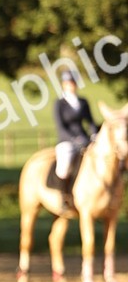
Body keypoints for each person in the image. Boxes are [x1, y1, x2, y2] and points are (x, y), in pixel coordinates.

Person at [53, 68, 98, 211]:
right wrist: (74, 139)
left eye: (73, 83)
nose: (71, 85)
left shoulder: (83, 102)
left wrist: (95, 135)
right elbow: (61, 126)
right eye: (68, 83)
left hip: (84, 139)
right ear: (63, 85)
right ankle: (64, 197)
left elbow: (90, 122)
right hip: (67, 140)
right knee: (64, 165)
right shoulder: (59, 103)